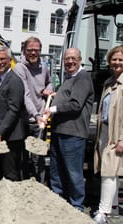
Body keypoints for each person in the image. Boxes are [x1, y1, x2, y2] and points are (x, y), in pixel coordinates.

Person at [42, 48, 94, 212]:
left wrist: (53, 109)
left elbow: (76, 104)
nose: (70, 61)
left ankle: (76, 205)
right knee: (57, 170)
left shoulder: (83, 77)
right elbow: (68, 96)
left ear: (80, 60)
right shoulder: (69, 78)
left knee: (73, 172)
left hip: (73, 133)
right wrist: (56, 94)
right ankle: (59, 200)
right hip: (59, 132)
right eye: (67, 59)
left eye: (73, 58)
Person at [13, 37, 53, 182]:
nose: (33, 53)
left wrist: (48, 90)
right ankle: (24, 187)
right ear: (24, 51)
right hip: (24, 120)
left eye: (36, 50)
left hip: (40, 120)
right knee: (23, 157)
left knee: (38, 157)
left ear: (40, 51)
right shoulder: (19, 68)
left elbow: (50, 83)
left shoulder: (44, 68)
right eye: (30, 50)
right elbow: (25, 94)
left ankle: (39, 188)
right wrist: (35, 114)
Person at [93, 46, 123, 224]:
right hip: (105, 130)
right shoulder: (109, 82)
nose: (117, 62)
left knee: (109, 171)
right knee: (111, 172)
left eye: (120, 59)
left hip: (116, 133)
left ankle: (103, 213)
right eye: (114, 59)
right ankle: (113, 210)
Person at [0, 45, 27, 181]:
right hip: (0, 134)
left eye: (2, 59)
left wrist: (0, 132)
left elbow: (13, 110)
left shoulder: (14, 81)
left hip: (10, 137)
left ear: (10, 60)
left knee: (10, 174)